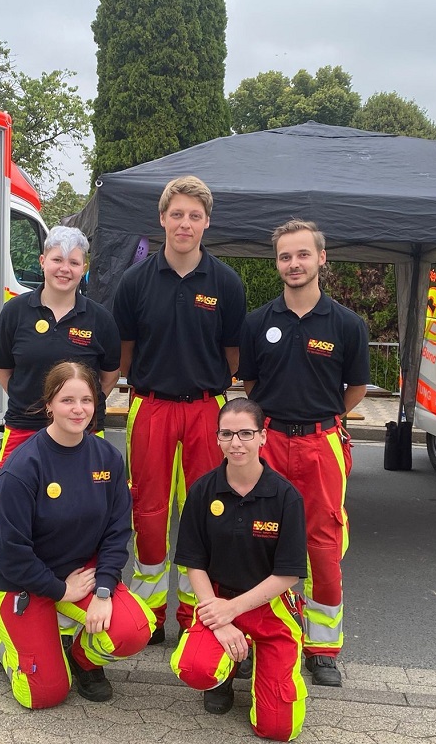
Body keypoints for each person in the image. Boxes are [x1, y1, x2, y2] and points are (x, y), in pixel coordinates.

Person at [110, 175, 247, 644]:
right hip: (150, 407)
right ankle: (149, 611)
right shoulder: (135, 282)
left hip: (207, 411)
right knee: (147, 510)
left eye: (194, 215)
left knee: (205, 509)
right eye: (177, 214)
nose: (184, 223)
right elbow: (124, 352)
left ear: (207, 222)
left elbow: (233, 355)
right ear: (162, 219)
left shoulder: (226, 283)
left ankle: (196, 611)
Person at [0, 361, 154, 709]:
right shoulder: (23, 466)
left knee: (134, 630)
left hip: (83, 577)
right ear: (49, 405)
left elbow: (118, 532)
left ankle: (80, 658)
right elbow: (11, 552)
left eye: (86, 400)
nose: (78, 409)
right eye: (67, 400)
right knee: (43, 695)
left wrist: (104, 588)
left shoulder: (108, 458)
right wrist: (60, 589)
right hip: (22, 582)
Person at [236, 219, 369, 688]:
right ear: (277, 264)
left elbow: (355, 390)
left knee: (323, 543)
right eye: (285, 257)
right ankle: (251, 637)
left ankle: (322, 647)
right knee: (256, 538)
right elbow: (251, 386)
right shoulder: (257, 323)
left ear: (321, 259)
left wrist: (318, 419)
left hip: (321, 445)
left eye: (302, 255)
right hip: (267, 442)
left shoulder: (349, 325)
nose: (294, 264)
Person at [171, 398, 308, 741]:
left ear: (263, 437)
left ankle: (266, 664)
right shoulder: (203, 490)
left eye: (246, 433)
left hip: (268, 605)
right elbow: (194, 562)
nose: (236, 443)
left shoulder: (285, 496)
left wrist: (233, 611)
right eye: (227, 434)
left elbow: (288, 574)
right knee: (194, 668)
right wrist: (220, 619)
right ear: (217, 438)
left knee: (278, 729)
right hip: (217, 600)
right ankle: (226, 671)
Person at [0, 225, 120, 520]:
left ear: (83, 268)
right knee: (7, 513)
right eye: (57, 260)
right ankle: (19, 567)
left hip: (81, 432)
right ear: (42, 262)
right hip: (25, 427)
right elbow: (3, 368)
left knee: (82, 511)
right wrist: (39, 403)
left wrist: (76, 408)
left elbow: (108, 377)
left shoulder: (101, 319)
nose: (65, 269)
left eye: (73, 262)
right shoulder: (15, 312)